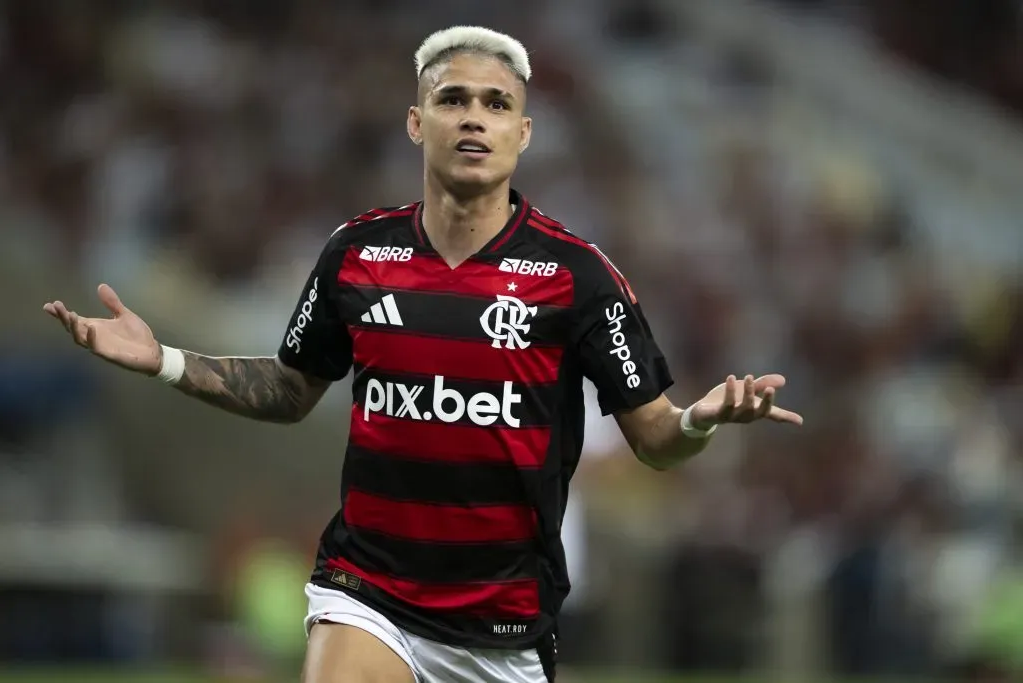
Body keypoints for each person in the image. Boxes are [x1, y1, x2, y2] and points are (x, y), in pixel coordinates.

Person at [42, 25, 803, 683]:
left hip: (504, 622)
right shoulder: (356, 254)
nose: (474, 117)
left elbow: (656, 438)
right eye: (453, 99)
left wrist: (699, 420)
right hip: (368, 592)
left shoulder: (577, 276)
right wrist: (166, 360)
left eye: (496, 104)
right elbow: (291, 388)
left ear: (523, 133)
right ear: (416, 122)